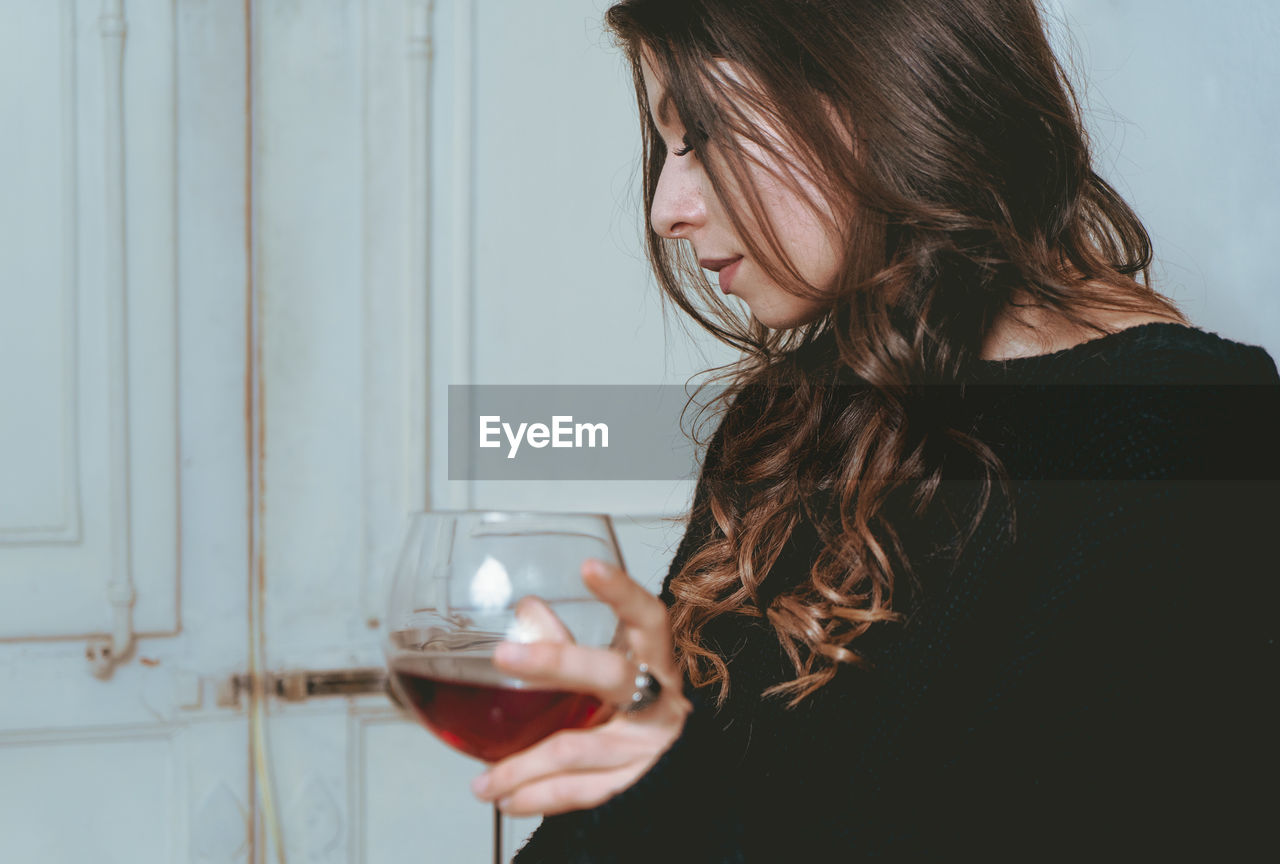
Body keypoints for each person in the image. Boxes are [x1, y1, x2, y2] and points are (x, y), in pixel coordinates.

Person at [469, 1, 1280, 860]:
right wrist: (622, 762)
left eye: (701, 134)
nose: (669, 206)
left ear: (868, 92)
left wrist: (664, 793)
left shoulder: (1185, 433)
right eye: (665, 147)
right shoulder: (785, 419)